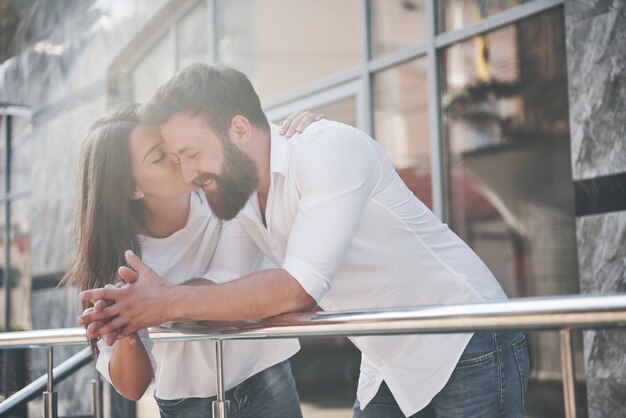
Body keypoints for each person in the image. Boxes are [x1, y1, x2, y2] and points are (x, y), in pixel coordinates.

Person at [80, 64, 530, 418]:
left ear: (238, 130)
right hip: (387, 355)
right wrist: (141, 309)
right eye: (175, 158)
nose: (187, 172)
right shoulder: (234, 196)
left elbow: (298, 288)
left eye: (191, 155)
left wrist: (161, 304)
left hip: (462, 337)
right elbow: (220, 291)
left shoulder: (324, 150)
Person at [64, 103, 323, 417]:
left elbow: (224, 283)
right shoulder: (120, 256)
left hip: (264, 377)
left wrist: (303, 139)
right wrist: (127, 331)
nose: (178, 158)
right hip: (185, 404)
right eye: (159, 157)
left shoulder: (226, 197)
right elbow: (131, 387)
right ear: (131, 187)